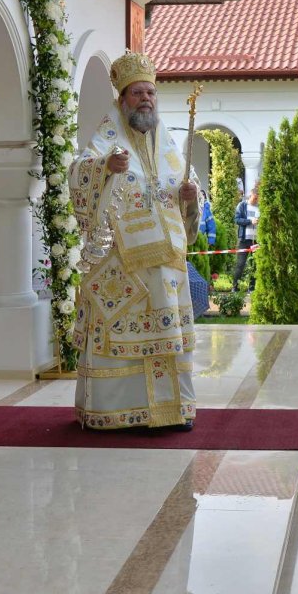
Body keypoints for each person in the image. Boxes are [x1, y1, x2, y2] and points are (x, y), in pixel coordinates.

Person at [67, 51, 199, 431]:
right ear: (123, 99)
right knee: (122, 337)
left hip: (166, 265)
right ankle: (118, 414)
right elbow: (78, 174)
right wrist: (104, 167)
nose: (145, 99)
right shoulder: (108, 138)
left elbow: (184, 184)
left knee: (168, 336)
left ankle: (173, 411)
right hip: (122, 264)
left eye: (150, 93)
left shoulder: (166, 142)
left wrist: (191, 197)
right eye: (137, 93)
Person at [232, 187, 260, 292]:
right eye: (254, 198)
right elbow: (237, 220)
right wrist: (250, 221)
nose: (256, 200)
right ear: (250, 196)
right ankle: (235, 287)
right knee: (240, 264)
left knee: (254, 264)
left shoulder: (259, 208)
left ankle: (252, 287)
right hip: (244, 239)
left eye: (257, 199)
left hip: (256, 240)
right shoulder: (242, 205)